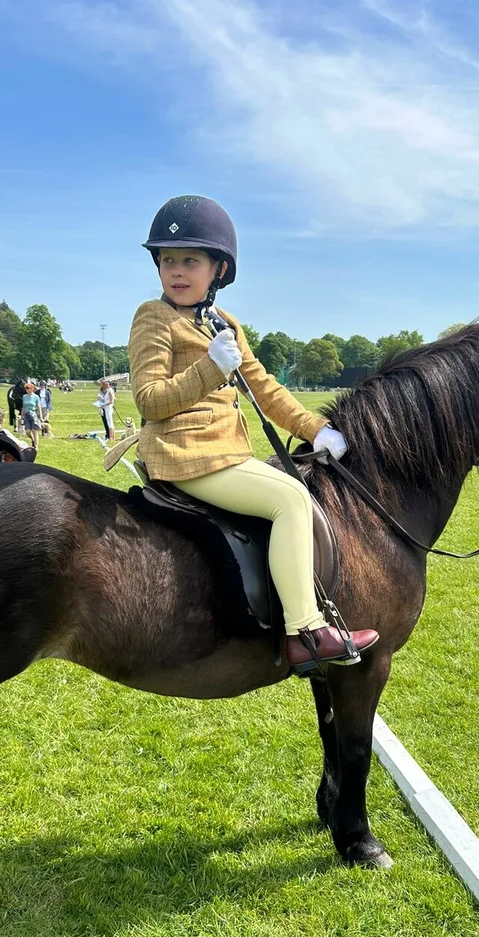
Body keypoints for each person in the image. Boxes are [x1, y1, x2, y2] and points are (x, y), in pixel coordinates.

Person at [129, 194, 378, 672]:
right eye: (167, 261)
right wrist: (208, 369)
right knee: (291, 501)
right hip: (184, 455)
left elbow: (263, 386)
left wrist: (315, 428)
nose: (176, 271)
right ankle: (305, 632)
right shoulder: (153, 316)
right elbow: (149, 400)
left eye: (190, 260)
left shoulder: (224, 323)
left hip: (225, 453)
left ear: (218, 270)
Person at [20, 381, 45, 451]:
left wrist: (41, 417)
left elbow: (38, 406)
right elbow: (23, 407)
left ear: (32, 389)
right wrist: (21, 416)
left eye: (28, 388)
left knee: (35, 431)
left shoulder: (36, 397)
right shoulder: (24, 397)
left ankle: (36, 446)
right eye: (26, 389)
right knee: (28, 431)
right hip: (27, 415)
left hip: (34, 415)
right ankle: (33, 440)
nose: (27, 390)